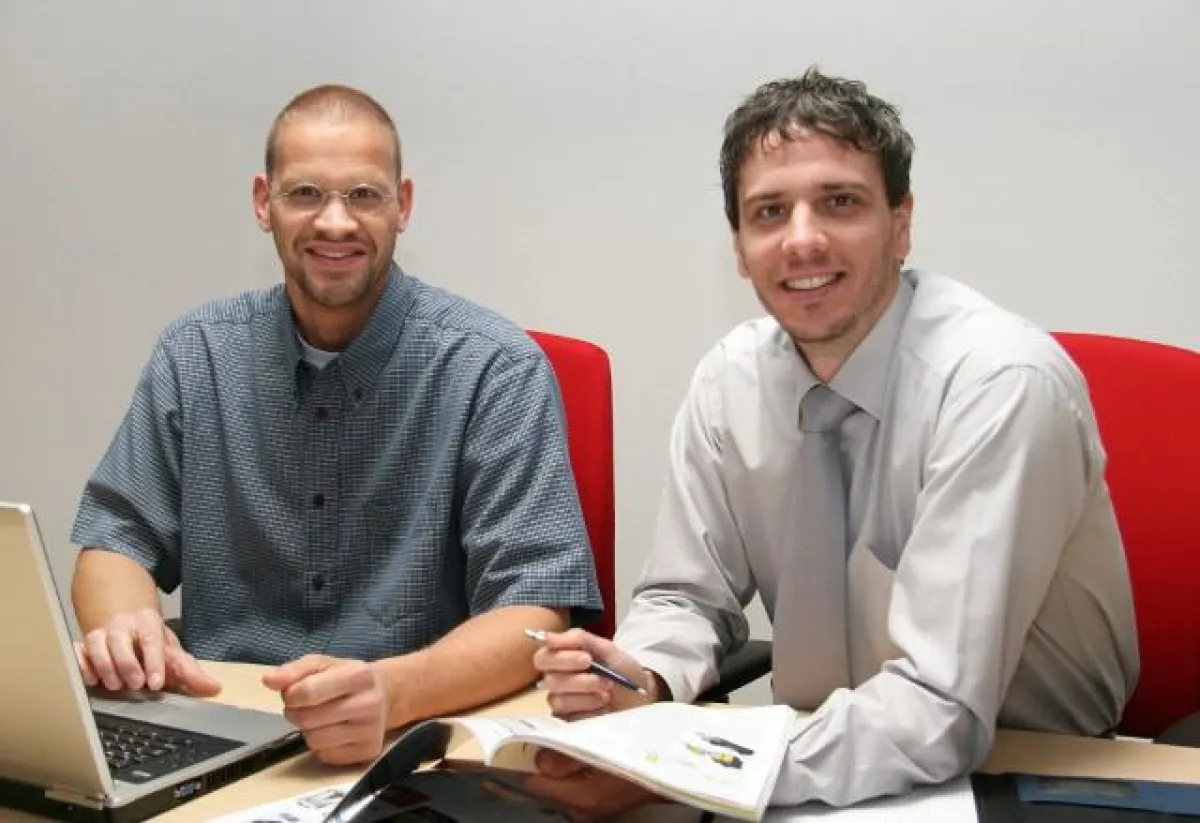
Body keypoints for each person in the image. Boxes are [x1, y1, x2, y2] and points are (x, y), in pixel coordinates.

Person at [527, 66, 1138, 816]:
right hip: (812, 770)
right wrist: (640, 680)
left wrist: (691, 765)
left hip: (1025, 781)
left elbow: (938, 704)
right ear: (739, 244)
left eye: (840, 202)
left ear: (902, 222)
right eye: (769, 212)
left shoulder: (999, 382)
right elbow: (687, 593)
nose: (803, 240)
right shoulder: (731, 382)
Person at [69, 85, 602, 766]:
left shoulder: (493, 369)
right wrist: (126, 629)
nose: (335, 223)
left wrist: (391, 691)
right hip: (222, 737)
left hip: (419, 746)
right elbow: (116, 537)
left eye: (364, 195)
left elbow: (535, 609)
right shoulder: (195, 354)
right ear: (264, 203)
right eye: (305, 194)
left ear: (403, 205)